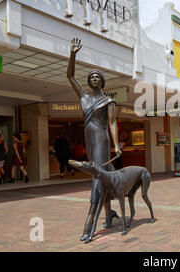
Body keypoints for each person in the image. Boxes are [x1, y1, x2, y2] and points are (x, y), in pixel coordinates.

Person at [68, 38, 122, 241]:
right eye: (91, 78)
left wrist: (116, 145)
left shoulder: (108, 100)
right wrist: (72, 54)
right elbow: (71, 76)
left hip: (102, 140)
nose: (94, 79)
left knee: (96, 177)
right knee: (99, 175)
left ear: (102, 81)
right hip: (89, 141)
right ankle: (109, 214)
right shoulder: (84, 98)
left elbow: (113, 123)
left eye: (97, 77)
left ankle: (89, 224)